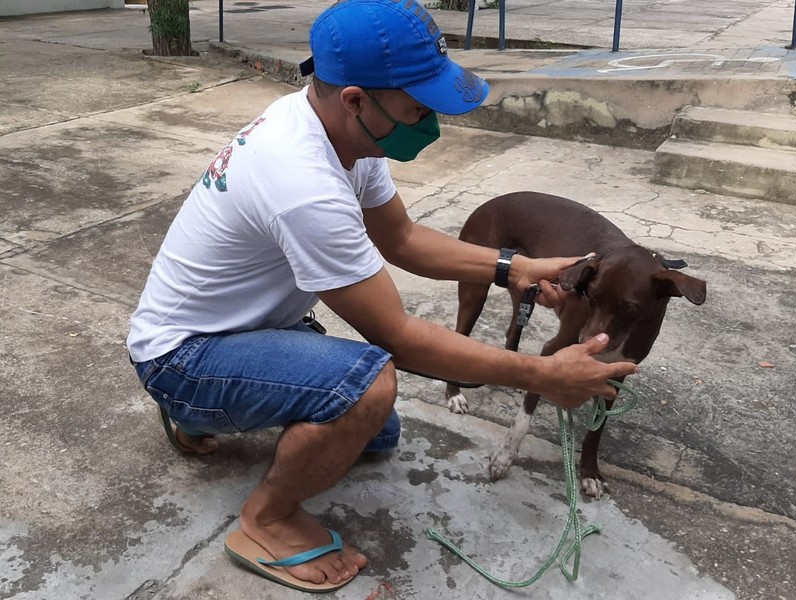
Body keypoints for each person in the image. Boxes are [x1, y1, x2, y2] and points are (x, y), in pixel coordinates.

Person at [127, 0, 638, 592]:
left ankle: (205, 407)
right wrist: (540, 374)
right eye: (418, 108)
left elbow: (401, 237)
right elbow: (397, 336)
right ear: (356, 100)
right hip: (184, 352)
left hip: (237, 328)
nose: (430, 123)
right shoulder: (302, 182)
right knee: (368, 387)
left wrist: (515, 267)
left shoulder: (338, 132)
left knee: (377, 432)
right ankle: (262, 517)